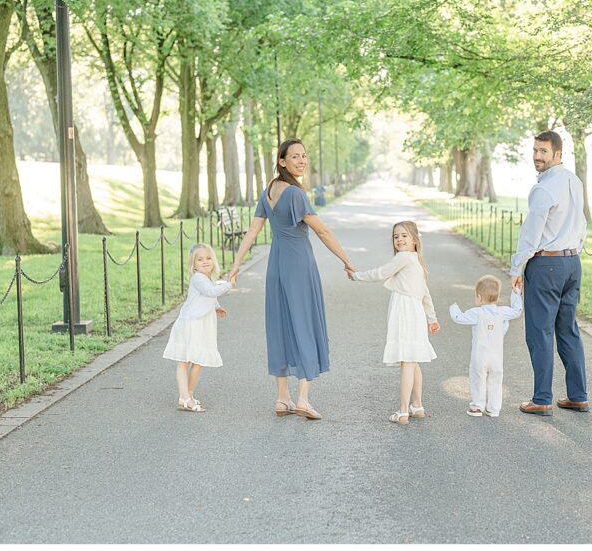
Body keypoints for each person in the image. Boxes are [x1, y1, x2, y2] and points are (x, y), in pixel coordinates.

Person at [227, 138, 354, 420]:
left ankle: (282, 398)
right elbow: (322, 232)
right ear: (281, 161)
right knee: (305, 323)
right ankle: (302, 400)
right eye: (294, 156)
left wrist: (237, 264)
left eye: (304, 156)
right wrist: (346, 260)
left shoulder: (269, 191)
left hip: (277, 265)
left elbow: (253, 231)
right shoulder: (296, 194)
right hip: (298, 265)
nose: (301, 160)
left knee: (281, 325)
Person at [511, 130, 589, 416]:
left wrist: (517, 267)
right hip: (572, 263)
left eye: (543, 151)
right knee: (568, 330)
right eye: (535, 150)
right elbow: (581, 222)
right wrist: (575, 249)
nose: (537, 157)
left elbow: (531, 235)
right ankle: (578, 395)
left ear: (558, 154)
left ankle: (542, 398)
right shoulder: (574, 181)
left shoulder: (543, 189)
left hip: (546, 265)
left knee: (540, 332)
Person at [350, 221, 440, 424]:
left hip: (405, 312)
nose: (399, 239)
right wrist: (432, 318)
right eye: (396, 236)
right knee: (413, 359)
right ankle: (417, 406)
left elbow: (381, 272)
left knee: (406, 360)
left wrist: (357, 276)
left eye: (404, 236)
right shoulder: (416, 261)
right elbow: (426, 295)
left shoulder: (404, 258)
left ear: (415, 240)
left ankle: (402, 411)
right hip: (415, 312)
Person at [162, 243, 231, 413]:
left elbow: (208, 296)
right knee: (184, 361)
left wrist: (216, 306)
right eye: (200, 259)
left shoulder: (208, 279)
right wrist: (228, 285)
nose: (205, 261)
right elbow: (209, 292)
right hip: (191, 324)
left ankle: (188, 395)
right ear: (193, 264)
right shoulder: (198, 278)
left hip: (203, 324)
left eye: (208, 258)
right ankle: (184, 397)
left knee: (199, 361)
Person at [449, 275, 523, 417]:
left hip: (480, 356)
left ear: (479, 297)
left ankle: (477, 406)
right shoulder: (503, 312)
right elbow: (518, 311)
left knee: (478, 379)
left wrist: (454, 308)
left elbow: (458, 318)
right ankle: (493, 408)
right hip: (497, 357)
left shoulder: (476, 313)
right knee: (496, 380)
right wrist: (516, 294)